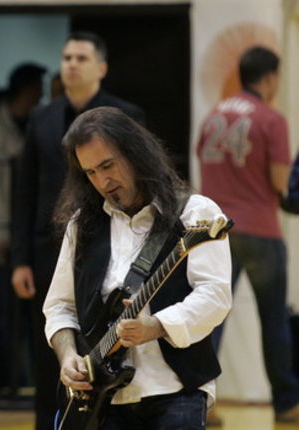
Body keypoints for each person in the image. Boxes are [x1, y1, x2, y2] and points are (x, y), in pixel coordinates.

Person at [45, 106, 231, 429]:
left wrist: (157, 327)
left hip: (176, 389)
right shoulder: (83, 225)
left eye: (108, 165)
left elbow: (215, 295)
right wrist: (67, 357)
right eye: (90, 172)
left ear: (135, 154)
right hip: (105, 401)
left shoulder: (195, 213)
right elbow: (60, 306)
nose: (103, 181)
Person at [10, 31, 144, 430]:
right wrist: (19, 259)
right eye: (66, 57)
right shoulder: (42, 117)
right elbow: (24, 191)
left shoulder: (125, 117)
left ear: (100, 68)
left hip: (107, 244)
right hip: (47, 247)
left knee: (101, 339)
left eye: (81, 58)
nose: (71, 64)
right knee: (50, 342)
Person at [197, 46, 299, 423]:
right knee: (274, 320)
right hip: (260, 229)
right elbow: (280, 182)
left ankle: (202, 403)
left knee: (209, 322)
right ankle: (287, 402)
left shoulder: (212, 116)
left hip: (215, 232)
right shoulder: (272, 119)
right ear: (271, 77)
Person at [0, 62, 45, 407]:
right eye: (37, 86)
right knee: (4, 315)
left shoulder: (31, 124)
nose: (42, 93)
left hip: (27, 234)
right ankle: (10, 380)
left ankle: (29, 381)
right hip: (3, 237)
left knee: (29, 314)